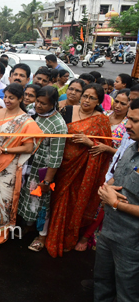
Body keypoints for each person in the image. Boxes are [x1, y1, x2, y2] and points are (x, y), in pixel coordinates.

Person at [0, 83, 42, 251]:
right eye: (6, 97)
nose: (7, 100)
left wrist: (4, 149)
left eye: (11, 98)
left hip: (8, 166)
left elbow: (28, 147)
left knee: (2, 201)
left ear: (20, 99)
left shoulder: (26, 121)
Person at [46, 83, 112, 257]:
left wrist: (90, 143)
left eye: (92, 98)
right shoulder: (67, 111)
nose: (87, 100)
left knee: (73, 203)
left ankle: (66, 238)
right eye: (85, 96)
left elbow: (108, 148)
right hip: (61, 165)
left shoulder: (101, 120)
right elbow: (56, 134)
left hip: (82, 171)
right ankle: (48, 234)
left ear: (98, 101)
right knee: (56, 198)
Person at [73, 89, 131, 251]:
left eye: (123, 103)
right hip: (91, 163)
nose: (118, 106)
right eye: (116, 102)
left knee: (102, 203)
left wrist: (105, 148)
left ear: (130, 106)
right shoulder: (103, 116)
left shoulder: (129, 125)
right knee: (87, 197)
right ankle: (78, 230)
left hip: (111, 167)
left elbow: (125, 154)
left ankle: (87, 237)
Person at [94, 98, 139, 301]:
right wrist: (106, 188)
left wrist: (115, 203)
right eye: (129, 119)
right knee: (102, 285)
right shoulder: (131, 148)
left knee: (127, 294)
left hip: (132, 244)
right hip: (109, 232)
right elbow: (115, 177)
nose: (128, 125)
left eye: (135, 121)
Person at [18, 86, 68, 252]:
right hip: (28, 166)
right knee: (28, 199)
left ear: (53, 104)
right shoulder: (33, 113)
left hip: (43, 171)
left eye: (44, 104)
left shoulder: (58, 125)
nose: (39, 106)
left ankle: (42, 236)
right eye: (37, 101)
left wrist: (47, 180)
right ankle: (30, 227)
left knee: (41, 203)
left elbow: (56, 157)